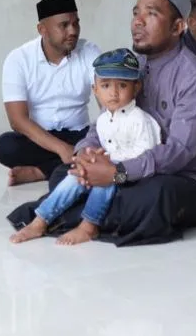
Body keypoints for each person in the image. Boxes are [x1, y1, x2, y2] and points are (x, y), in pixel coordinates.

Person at [6, 0, 196, 245]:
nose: (138, 21)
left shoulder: (194, 77)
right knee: (65, 174)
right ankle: (91, 211)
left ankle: (73, 214)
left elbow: (178, 154)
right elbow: (105, 120)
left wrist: (117, 173)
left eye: (151, 14)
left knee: (154, 197)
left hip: (188, 179)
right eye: (136, 13)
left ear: (177, 27)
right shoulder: (132, 65)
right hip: (129, 167)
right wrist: (85, 154)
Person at [9, 48, 161, 247]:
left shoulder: (139, 119)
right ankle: (41, 220)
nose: (113, 93)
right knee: (73, 177)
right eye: (106, 86)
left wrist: (108, 162)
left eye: (122, 85)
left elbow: (146, 153)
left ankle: (89, 225)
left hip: (129, 174)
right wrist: (89, 159)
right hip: (107, 165)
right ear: (95, 90)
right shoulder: (103, 119)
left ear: (136, 87)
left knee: (104, 181)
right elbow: (94, 144)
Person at [0, 0, 101, 185]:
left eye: (76, 23)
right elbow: (18, 120)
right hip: (39, 138)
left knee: (107, 141)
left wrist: (96, 140)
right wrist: (62, 149)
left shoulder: (89, 52)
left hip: (80, 135)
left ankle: (41, 172)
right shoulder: (18, 59)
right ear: (42, 29)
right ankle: (69, 164)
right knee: (5, 146)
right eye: (64, 25)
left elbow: (107, 104)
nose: (73, 31)